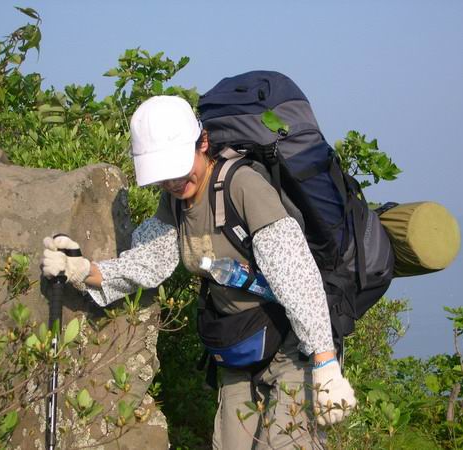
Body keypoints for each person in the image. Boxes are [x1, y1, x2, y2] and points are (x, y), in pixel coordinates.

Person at [42, 95, 357, 449]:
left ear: (203, 142)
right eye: (164, 176)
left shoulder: (242, 186)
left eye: (178, 168)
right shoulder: (174, 202)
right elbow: (148, 262)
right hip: (240, 347)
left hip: (294, 346)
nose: (174, 183)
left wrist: (325, 363)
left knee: (285, 442)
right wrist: (80, 270)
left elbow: (296, 275)